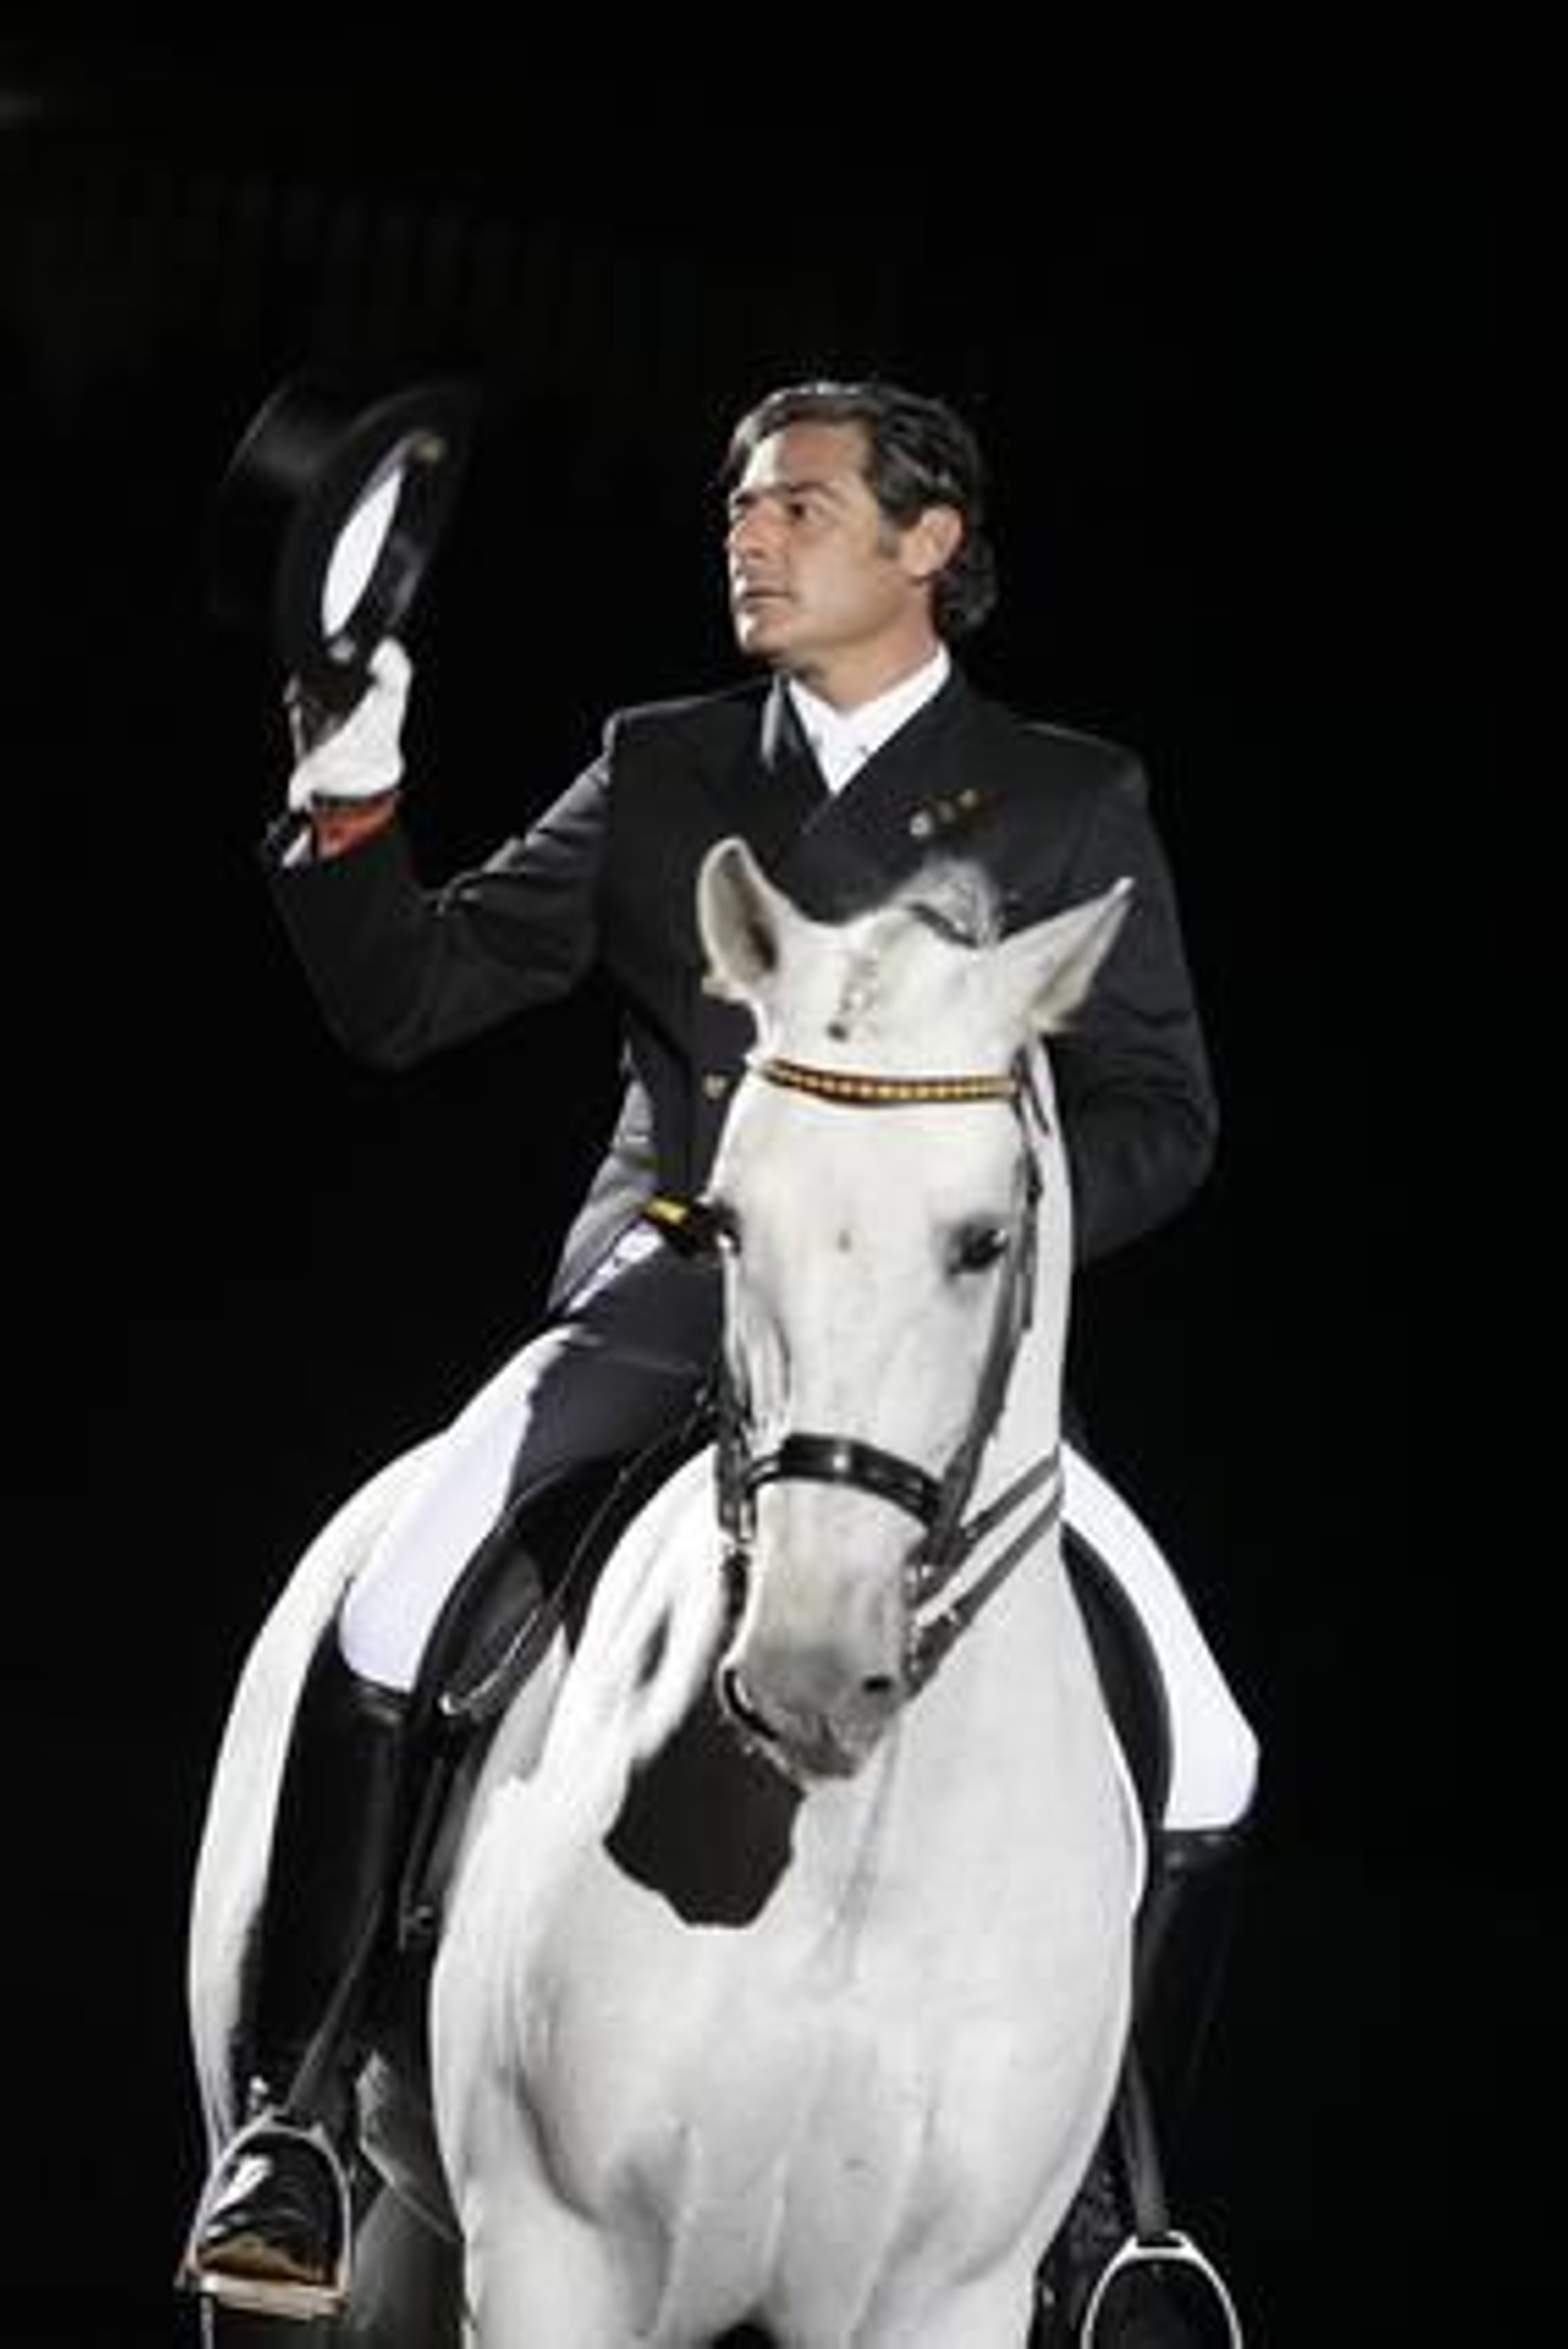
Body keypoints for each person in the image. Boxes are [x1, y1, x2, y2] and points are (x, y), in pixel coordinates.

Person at [180, 376, 1257, 2335]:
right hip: (676, 1279)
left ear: (928, 544)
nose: (747, 540)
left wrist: (959, 1257)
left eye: (800, 509)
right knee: (398, 1587)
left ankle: (1119, 2224)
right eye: (738, 511)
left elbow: (1159, 1113)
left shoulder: (1065, 793)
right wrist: (347, 806)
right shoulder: (666, 759)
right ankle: (304, 2109)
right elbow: (407, 995)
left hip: (936, 1352)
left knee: (1203, 1730)